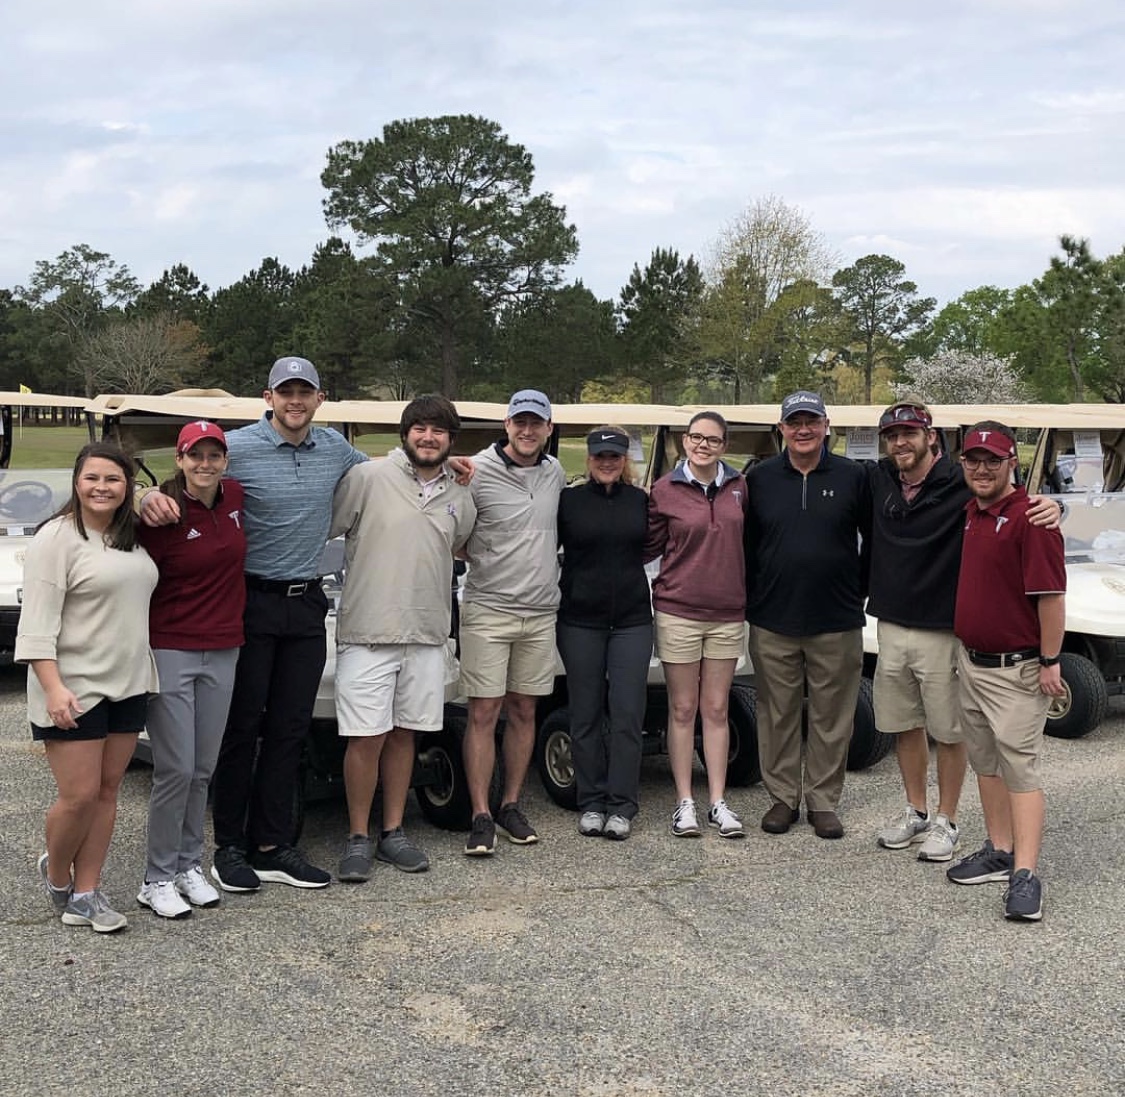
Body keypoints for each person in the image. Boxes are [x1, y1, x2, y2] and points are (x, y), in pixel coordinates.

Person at [141, 357, 367, 891]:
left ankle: (272, 844)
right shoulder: (234, 448)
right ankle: (229, 847)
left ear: (320, 398)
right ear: (268, 396)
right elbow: (184, 480)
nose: (295, 401)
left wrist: (452, 467)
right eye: (285, 391)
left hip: (306, 603)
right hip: (249, 602)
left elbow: (380, 473)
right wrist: (145, 494)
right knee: (241, 729)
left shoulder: (334, 447)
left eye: (304, 392)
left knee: (290, 729)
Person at [869, 401, 1061, 863]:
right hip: (892, 622)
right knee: (904, 724)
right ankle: (916, 810)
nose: (901, 442)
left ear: (931, 437)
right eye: (893, 434)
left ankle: (947, 819)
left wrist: (1055, 506)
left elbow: (1017, 504)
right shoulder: (875, 479)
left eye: (910, 433)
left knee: (949, 730)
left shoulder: (963, 482)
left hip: (943, 629)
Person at [330, 396, 476, 881]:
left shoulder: (460, 493)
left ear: (451, 439)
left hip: (427, 634)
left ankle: (393, 832)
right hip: (368, 633)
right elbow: (330, 528)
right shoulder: (368, 479)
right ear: (405, 433)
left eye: (438, 430)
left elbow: (458, 544)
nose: (428, 437)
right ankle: (357, 836)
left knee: (404, 735)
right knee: (365, 739)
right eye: (420, 428)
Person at [18, 442, 159, 933]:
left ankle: (87, 893)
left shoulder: (131, 537)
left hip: (128, 681)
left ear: (128, 487)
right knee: (77, 796)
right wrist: (52, 688)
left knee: (107, 791)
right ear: (77, 482)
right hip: (72, 687)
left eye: (113, 480)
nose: (102, 488)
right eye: (92, 478)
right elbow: (35, 625)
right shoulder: (55, 538)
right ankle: (58, 876)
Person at [946, 422, 1065, 921]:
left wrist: (1051, 661)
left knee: (1020, 769)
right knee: (986, 763)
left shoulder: (1032, 519)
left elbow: (1052, 598)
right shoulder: (972, 511)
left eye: (992, 460)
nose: (981, 469)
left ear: (1011, 462)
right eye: (972, 460)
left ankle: (1026, 874)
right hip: (971, 662)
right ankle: (999, 849)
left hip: (1016, 669)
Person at [744, 391, 871, 840]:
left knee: (832, 714)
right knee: (776, 712)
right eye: (794, 422)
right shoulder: (759, 479)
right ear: (781, 428)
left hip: (836, 617)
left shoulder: (854, 476)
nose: (803, 430)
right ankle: (782, 797)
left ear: (825, 425)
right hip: (773, 617)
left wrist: (860, 592)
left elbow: (873, 540)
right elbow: (746, 545)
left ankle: (822, 800)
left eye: (811, 422)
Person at [134, 421, 246, 918]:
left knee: (203, 767)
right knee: (175, 769)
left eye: (213, 455)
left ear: (225, 460)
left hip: (224, 645)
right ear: (179, 460)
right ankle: (156, 876)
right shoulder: (161, 509)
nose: (205, 464)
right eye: (194, 455)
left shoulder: (236, 497)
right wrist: (140, 495)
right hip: (172, 646)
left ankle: (187, 865)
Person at [460, 389, 565, 856]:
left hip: (540, 612)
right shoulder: (477, 471)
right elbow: (455, 536)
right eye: (519, 422)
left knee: (525, 710)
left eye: (536, 423)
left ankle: (510, 804)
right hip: (488, 609)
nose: (527, 431)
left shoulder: (555, 472)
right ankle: (480, 814)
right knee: (484, 712)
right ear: (506, 425)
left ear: (548, 428)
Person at [645, 410, 747, 840]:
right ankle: (684, 802)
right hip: (678, 610)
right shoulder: (664, 490)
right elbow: (647, 546)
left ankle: (717, 802)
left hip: (727, 612)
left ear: (724, 445)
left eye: (713, 439)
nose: (703, 445)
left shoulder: (740, 487)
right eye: (695, 438)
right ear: (684, 443)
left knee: (717, 709)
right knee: (683, 709)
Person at [557, 427, 652, 840]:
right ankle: (591, 799)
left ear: (625, 459)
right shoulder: (569, 501)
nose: (608, 462)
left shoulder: (641, 501)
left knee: (628, 713)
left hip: (632, 620)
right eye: (601, 456)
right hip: (580, 619)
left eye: (615, 456)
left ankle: (622, 803)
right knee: (585, 713)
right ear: (590, 459)